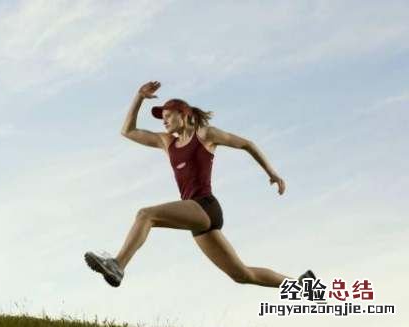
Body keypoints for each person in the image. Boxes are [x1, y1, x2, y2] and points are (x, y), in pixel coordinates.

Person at [84, 81, 315, 288]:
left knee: (145, 215)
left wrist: (273, 173)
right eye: (161, 117)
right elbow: (128, 131)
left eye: (168, 115)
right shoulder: (166, 143)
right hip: (198, 219)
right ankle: (302, 285)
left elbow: (247, 144)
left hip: (205, 206)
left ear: (183, 115)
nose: (164, 121)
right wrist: (139, 97)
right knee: (242, 275)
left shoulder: (205, 135)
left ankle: (118, 265)